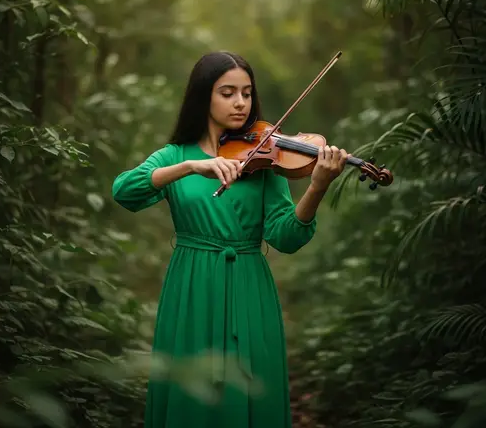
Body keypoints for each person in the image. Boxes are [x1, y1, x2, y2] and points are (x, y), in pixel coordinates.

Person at [112, 51, 348, 428]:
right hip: (191, 286)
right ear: (203, 96)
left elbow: (285, 237)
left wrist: (317, 188)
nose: (241, 102)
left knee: (252, 386)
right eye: (227, 92)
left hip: (248, 284)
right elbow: (124, 192)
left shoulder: (264, 155)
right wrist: (191, 166)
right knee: (190, 391)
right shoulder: (174, 156)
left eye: (247, 93)